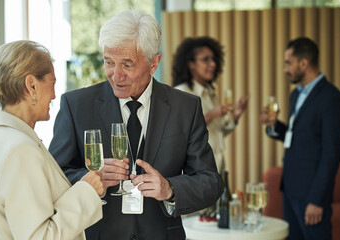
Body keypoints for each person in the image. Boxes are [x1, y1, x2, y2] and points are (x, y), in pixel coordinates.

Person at [49, 10, 223, 240]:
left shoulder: (186, 107)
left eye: (127, 65)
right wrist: (89, 180)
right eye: (109, 62)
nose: (116, 75)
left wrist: (170, 189)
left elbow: (210, 182)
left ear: (154, 63)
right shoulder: (76, 105)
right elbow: (54, 177)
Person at [0, 40, 105, 239]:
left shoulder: (3, 138)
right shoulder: (20, 150)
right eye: (52, 83)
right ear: (31, 85)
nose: (54, 95)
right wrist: (87, 191)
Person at [260, 37, 340, 240]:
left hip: (311, 195)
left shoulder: (332, 99)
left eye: (288, 63)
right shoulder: (296, 94)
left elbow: (331, 154)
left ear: (304, 63)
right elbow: (298, 136)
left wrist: (317, 200)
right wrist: (273, 125)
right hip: (290, 188)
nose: (285, 69)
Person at [172, 37, 249, 221]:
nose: (212, 64)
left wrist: (236, 114)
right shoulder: (181, 92)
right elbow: (181, 131)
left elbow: (218, 132)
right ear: (191, 64)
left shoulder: (210, 92)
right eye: (205, 59)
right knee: (193, 226)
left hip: (214, 173)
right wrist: (213, 114)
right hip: (193, 175)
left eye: (214, 59)